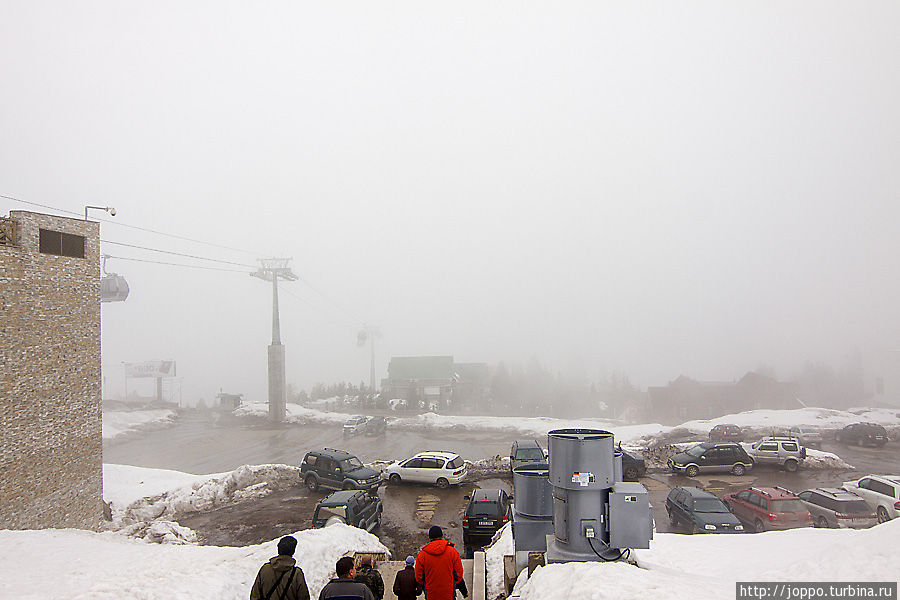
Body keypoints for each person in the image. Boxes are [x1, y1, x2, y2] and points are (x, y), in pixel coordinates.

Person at [250, 536, 310, 600]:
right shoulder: (297, 574)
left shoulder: (265, 569)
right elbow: (304, 597)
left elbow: (254, 595)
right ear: (293, 551)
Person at [414, 526, 463, 600]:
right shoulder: (452, 552)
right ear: (442, 536)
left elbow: (418, 576)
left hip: (431, 593)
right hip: (449, 593)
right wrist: (452, 583)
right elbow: (459, 573)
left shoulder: (422, 555)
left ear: (430, 538)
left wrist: (424, 585)